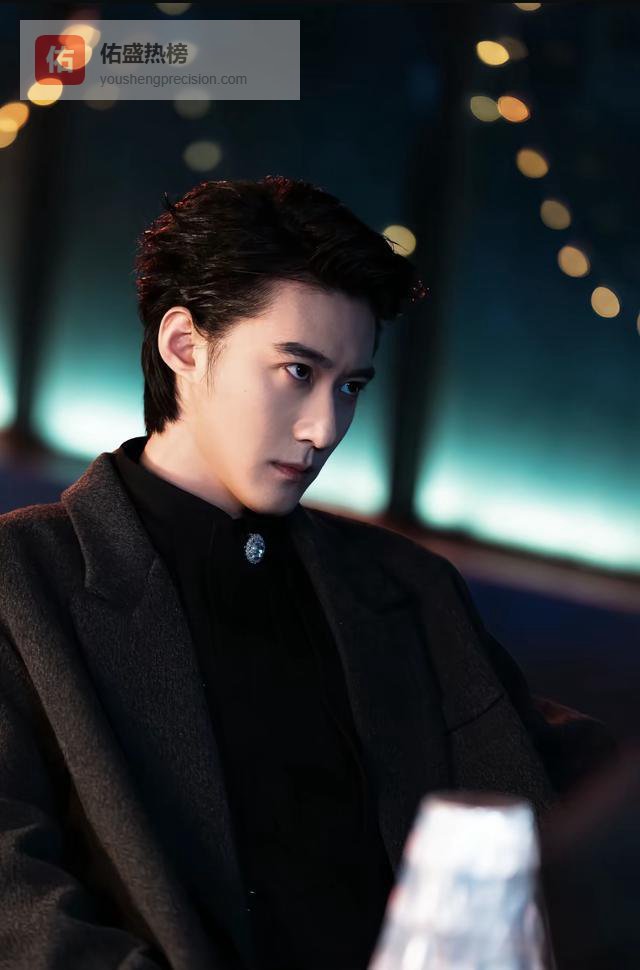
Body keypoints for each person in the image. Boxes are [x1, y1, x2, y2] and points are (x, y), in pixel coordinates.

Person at [0, 176, 615, 970]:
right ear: (185, 346)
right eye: (297, 371)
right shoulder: (27, 579)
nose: (326, 427)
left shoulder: (404, 588)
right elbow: (15, 894)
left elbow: (545, 770)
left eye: (350, 386)